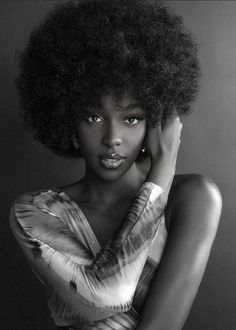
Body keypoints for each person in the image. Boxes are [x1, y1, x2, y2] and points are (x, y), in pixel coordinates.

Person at [10, 0, 222, 329]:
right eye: (93, 117)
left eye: (132, 118)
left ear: (156, 121)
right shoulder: (35, 212)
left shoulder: (193, 198)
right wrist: (161, 171)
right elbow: (106, 295)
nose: (113, 138)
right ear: (68, 121)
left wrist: (161, 176)